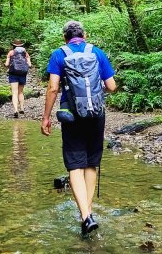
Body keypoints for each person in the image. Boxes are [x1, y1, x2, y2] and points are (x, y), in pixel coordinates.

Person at [41, 21, 117, 236]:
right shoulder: (98, 53)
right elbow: (111, 86)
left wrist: (46, 117)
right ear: (84, 34)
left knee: (75, 164)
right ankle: (88, 212)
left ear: (65, 37)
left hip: (72, 115)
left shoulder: (59, 54)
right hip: (96, 114)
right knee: (91, 163)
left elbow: (53, 88)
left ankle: (85, 216)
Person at [5, 39, 32, 118]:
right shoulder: (25, 53)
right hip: (22, 74)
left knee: (14, 93)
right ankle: (22, 108)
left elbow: (7, 64)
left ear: (14, 45)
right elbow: (30, 65)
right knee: (20, 92)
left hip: (13, 73)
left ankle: (16, 110)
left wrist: (8, 63)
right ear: (21, 45)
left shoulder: (11, 52)